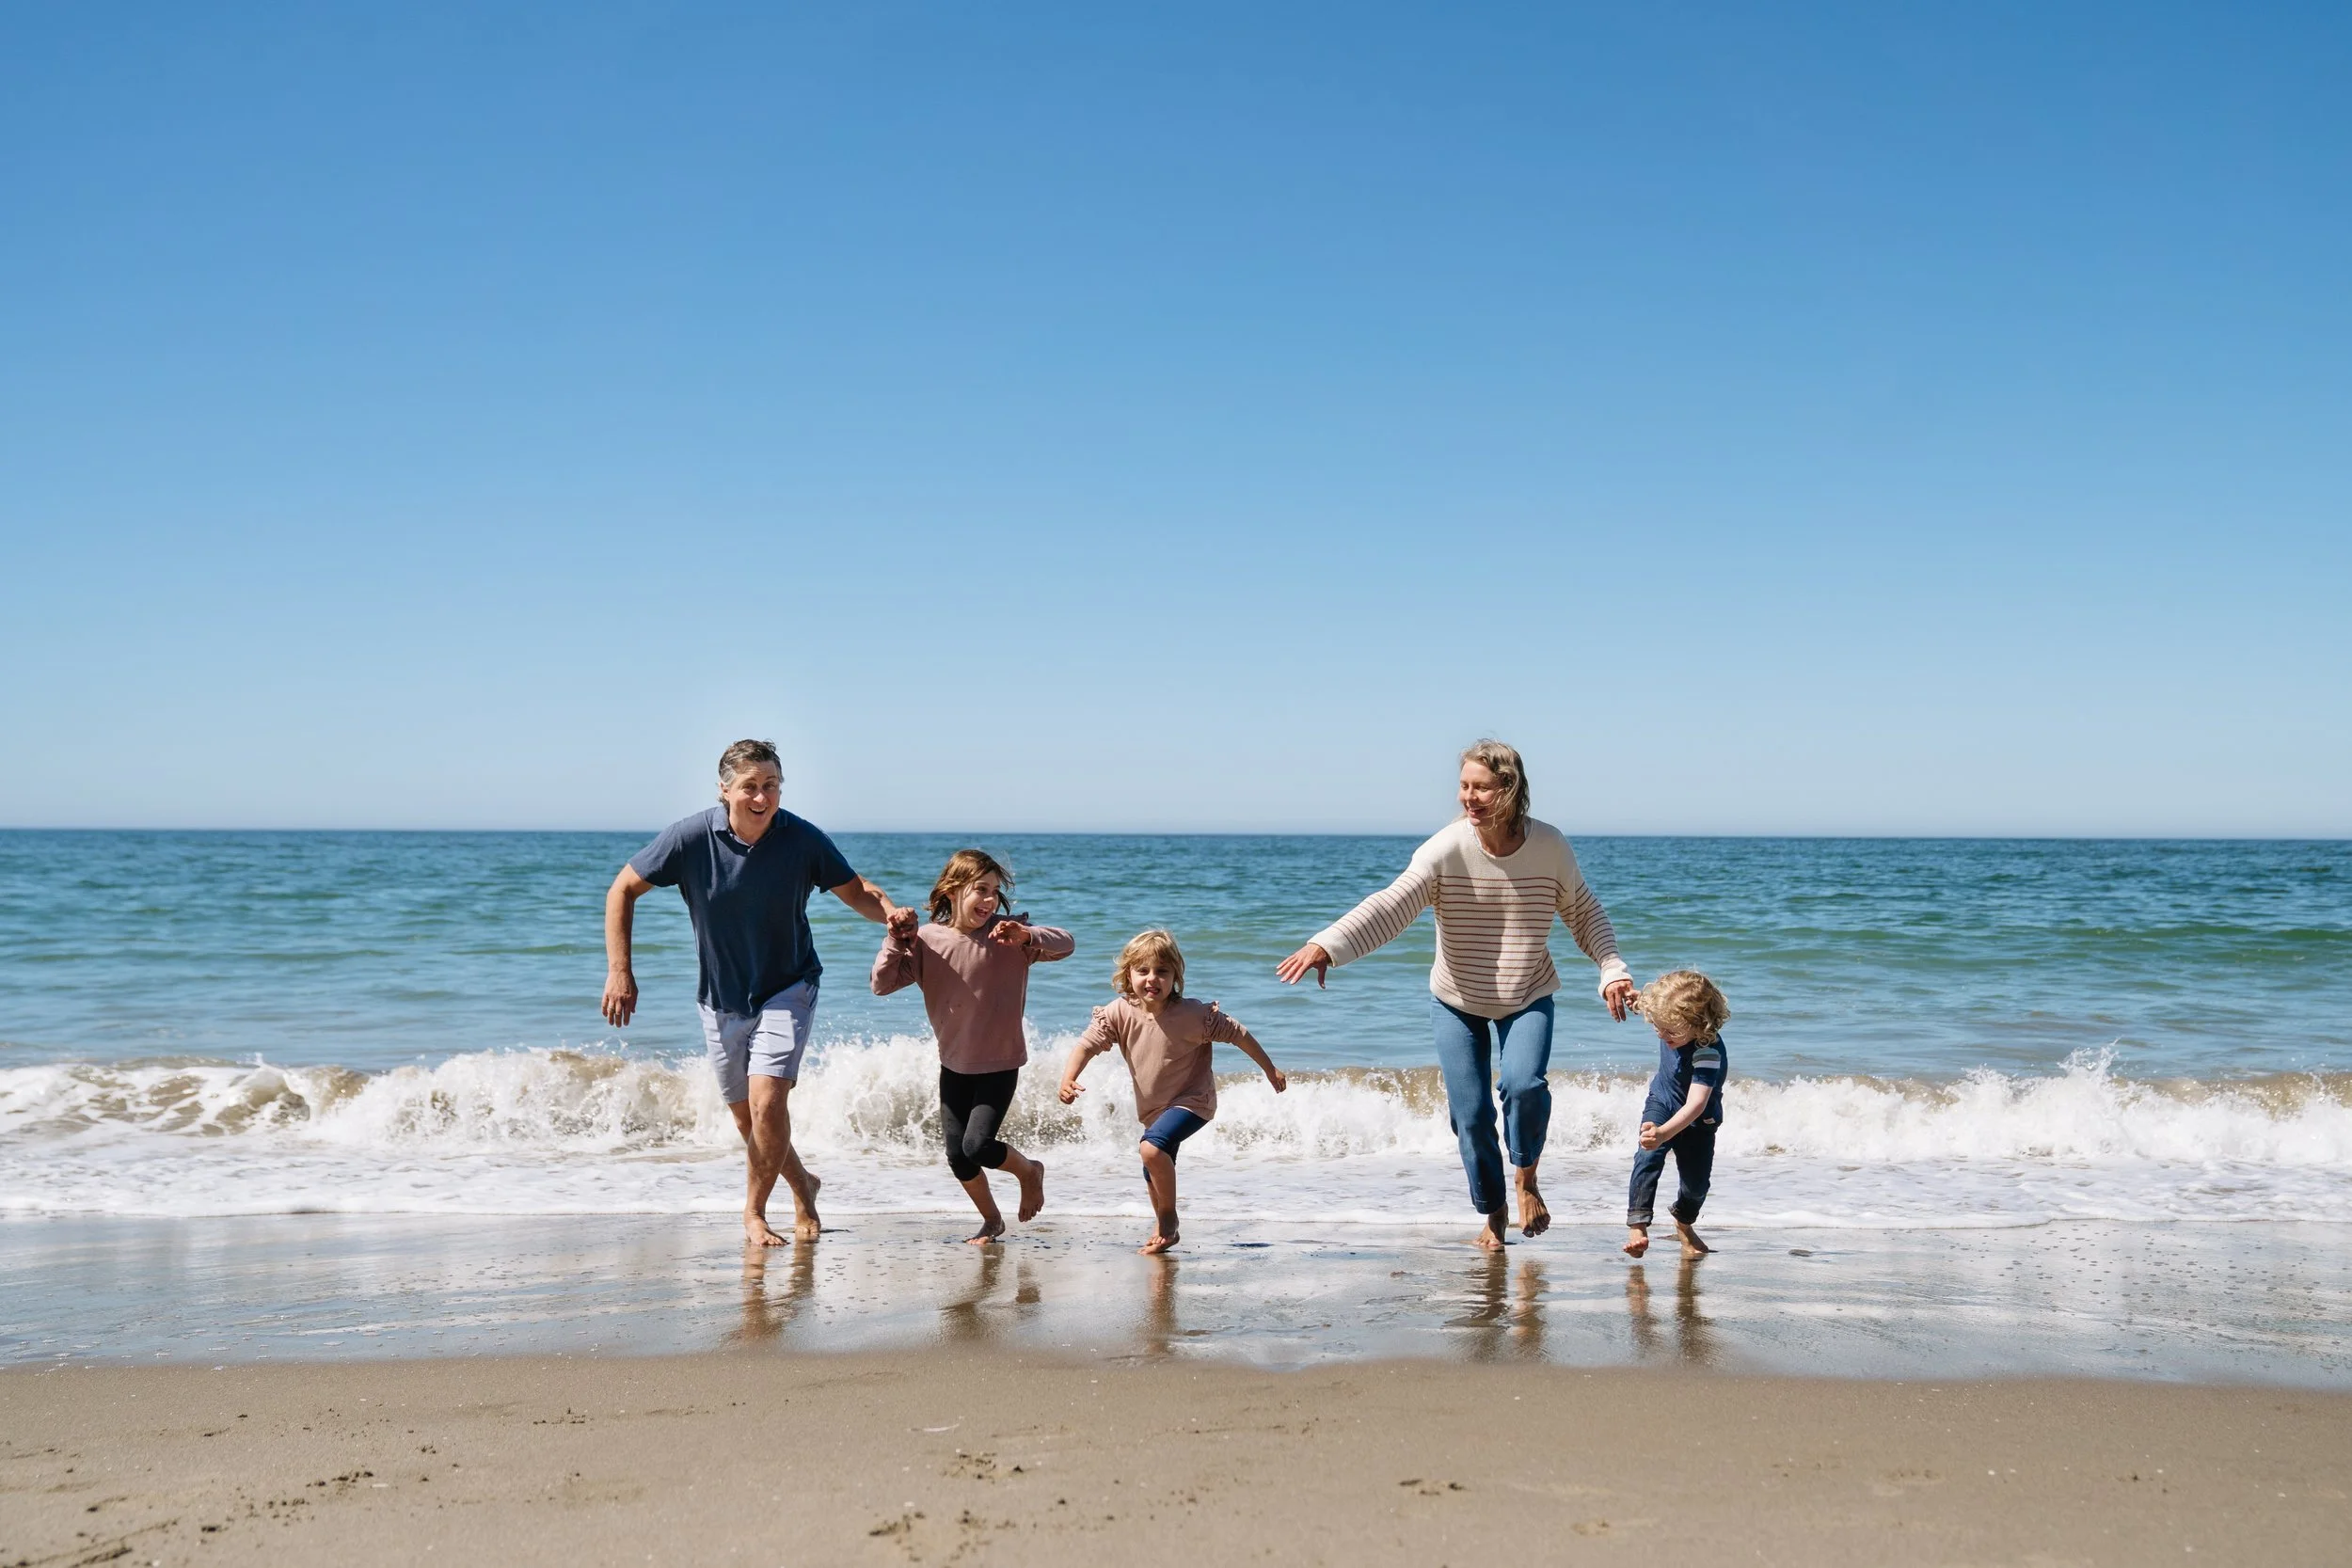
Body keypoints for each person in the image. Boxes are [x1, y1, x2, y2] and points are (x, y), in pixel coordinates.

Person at [1277, 739, 1635, 1252]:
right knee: (1470, 1117)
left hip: (1527, 990)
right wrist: (1328, 944)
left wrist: (1611, 969)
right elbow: (1392, 904)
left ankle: (1527, 1176)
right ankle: (1493, 1213)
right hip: (1456, 997)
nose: (1470, 796)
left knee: (1525, 1085)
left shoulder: (1550, 847)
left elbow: (1583, 913)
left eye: (1482, 787)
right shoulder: (1445, 848)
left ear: (1509, 789)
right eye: (1464, 786)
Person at [600, 738, 905, 1247]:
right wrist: (620, 972)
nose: (762, 797)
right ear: (725, 790)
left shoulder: (802, 838)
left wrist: (891, 913)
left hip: (789, 986)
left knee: (767, 1106)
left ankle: (755, 1214)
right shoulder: (690, 838)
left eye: (771, 786)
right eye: (750, 787)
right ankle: (805, 1184)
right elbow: (622, 889)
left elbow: (857, 890)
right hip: (720, 997)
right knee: (749, 1119)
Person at [871, 848, 1071, 1243]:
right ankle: (992, 1220)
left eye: (995, 891)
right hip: (954, 1064)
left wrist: (1027, 935)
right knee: (958, 1157)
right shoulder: (926, 940)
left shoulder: (1009, 935)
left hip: (1000, 1062)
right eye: (980, 889)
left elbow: (1066, 944)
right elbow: (881, 983)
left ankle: (1029, 1171)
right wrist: (895, 939)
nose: (989, 900)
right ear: (951, 890)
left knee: (978, 1145)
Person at [1058, 929, 1287, 1255]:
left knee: (1151, 1150)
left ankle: (1168, 1220)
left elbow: (1238, 1034)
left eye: (1162, 971)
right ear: (1127, 975)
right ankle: (1165, 1231)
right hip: (1154, 1108)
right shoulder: (1118, 1012)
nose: (1153, 979)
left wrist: (1269, 1068)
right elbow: (1086, 1045)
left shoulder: (1194, 1015)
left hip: (1194, 1101)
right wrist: (1069, 1078)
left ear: (1175, 977)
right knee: (1151, 1165)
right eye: (1143, 971)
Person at [1624, 970, 1730, 1260]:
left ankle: (1684, 1223)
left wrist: (1664, 1134)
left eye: (1669, 1030)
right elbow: (1651, 1008)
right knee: (1647, 1155)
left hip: (1699, 1121)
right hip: (1663, 1100)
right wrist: (1634, 999)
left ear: (1699, 1024)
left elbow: (1696, 1103)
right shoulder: (1668, 1020)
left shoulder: (1707, 1053)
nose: (1661, 1034)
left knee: (1696, 1186)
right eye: (1657, 1026)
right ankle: (1638, 1226)